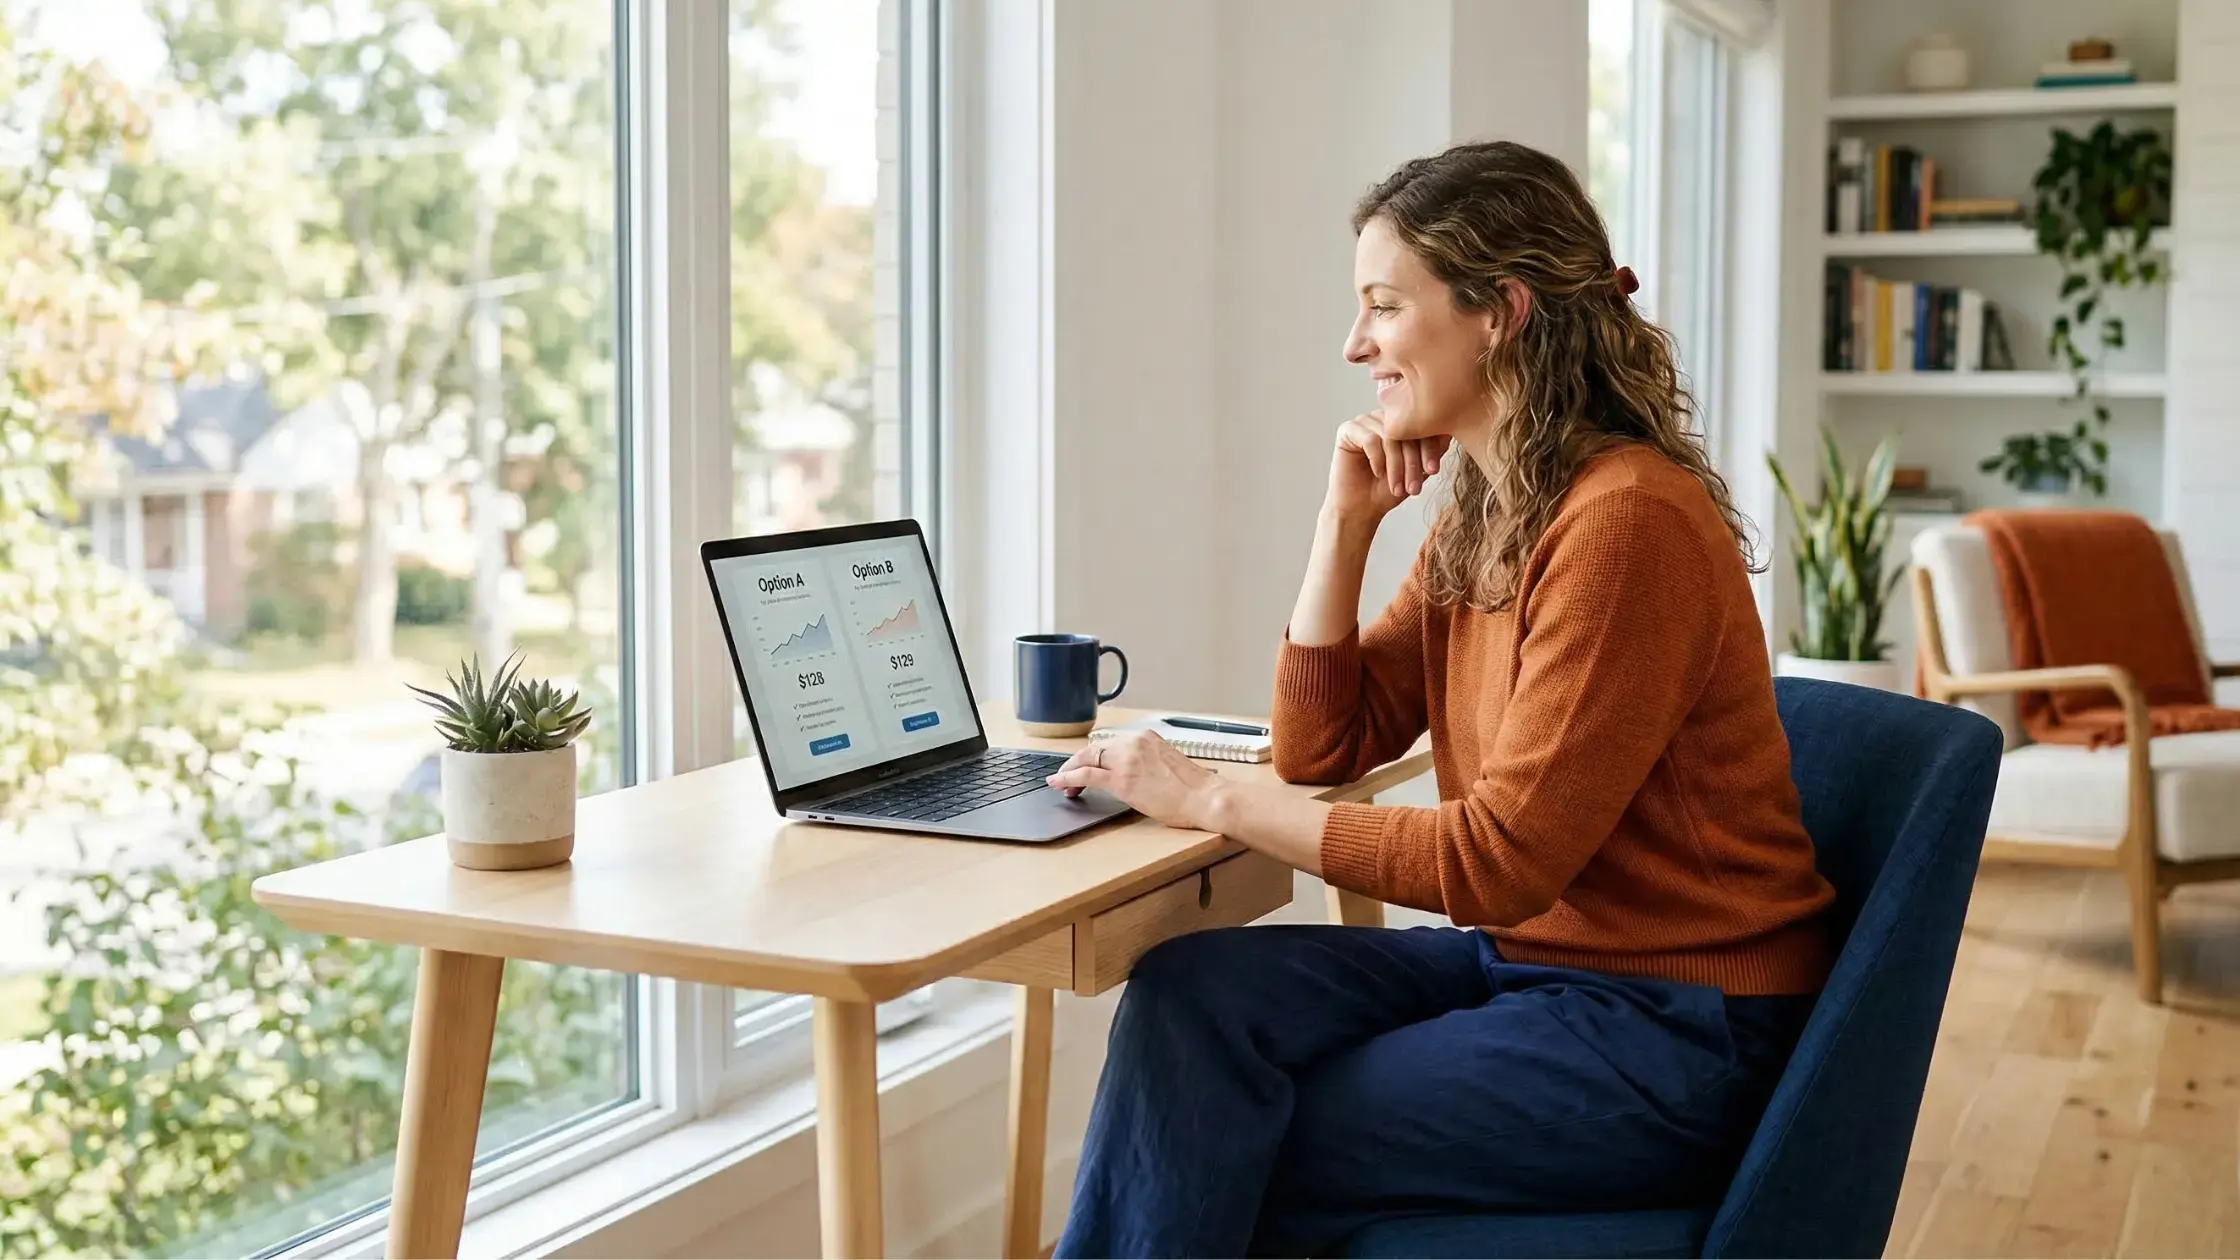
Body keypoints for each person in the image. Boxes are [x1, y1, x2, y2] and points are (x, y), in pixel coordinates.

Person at [1040, 140, 1836, 1258]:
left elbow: (1494, 863)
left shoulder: (1622, 526)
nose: (1354, 345)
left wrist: (1207, 798)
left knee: (1238, 1130)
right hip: (1536, 969)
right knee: (1189, 998)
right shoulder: (1489, 504)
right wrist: (1345, 526)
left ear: (1497, 311)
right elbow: (1322, 744)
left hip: (1675, 1029)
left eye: (1382, 307)